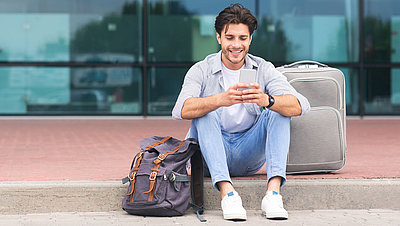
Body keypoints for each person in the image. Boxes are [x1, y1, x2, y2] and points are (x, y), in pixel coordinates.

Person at [172, 3, 310, 221]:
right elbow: (180, 109)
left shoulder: (263, 68)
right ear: (219, 37)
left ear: (250, 39)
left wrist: (267, 100)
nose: (236, 45)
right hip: (209, 156)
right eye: (230, 37)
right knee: (204, 111)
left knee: (278, 109)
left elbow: (301, 105)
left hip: (248, 153)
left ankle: (273, 194)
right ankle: (228, 194)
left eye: (242, 38)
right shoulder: (202, 69)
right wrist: (219, 100)